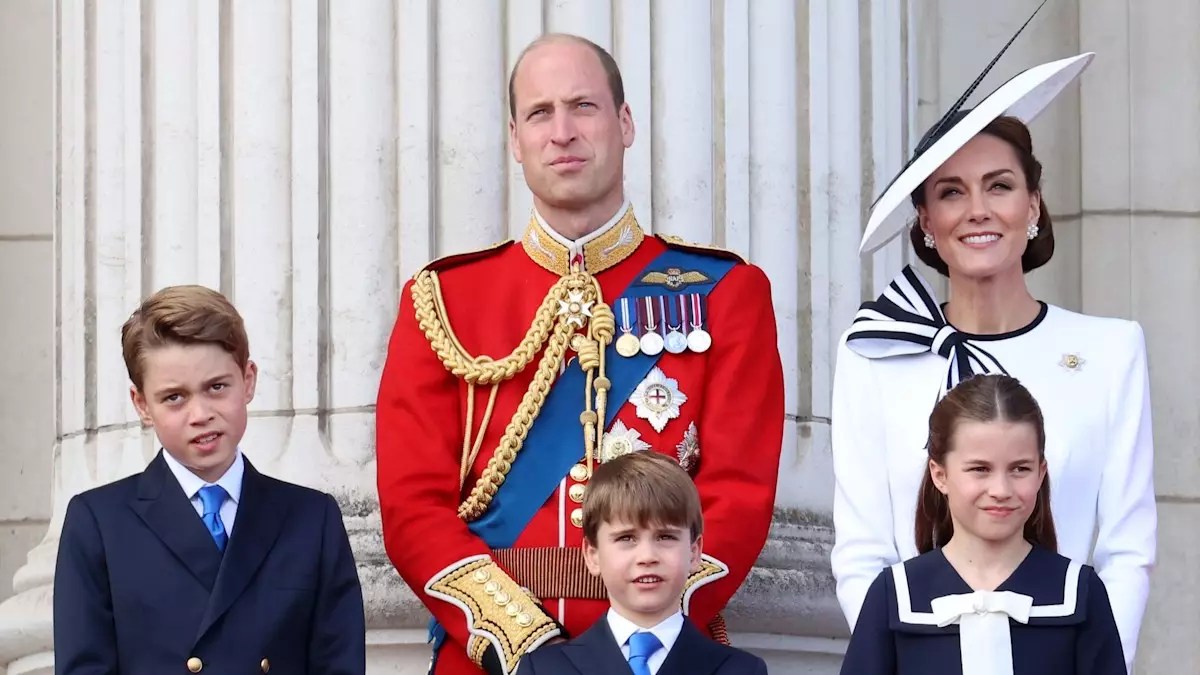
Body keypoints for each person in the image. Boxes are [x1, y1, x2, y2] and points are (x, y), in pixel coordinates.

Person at [375, 33, 785, 675]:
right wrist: (523, 643)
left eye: (583, 107)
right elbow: (411, 506)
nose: (562, 131)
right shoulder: (445, 299)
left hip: (658, 651)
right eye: (540, 113)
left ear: (625, 124)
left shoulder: (725, 293)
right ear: (516, 139)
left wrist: (635, 635)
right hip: (491, 657)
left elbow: (738, 495)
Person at [830, 7, 1155, 671]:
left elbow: (1125, 550)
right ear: (925, 219)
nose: (977, 209)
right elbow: (862, 551)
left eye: (1000, 186)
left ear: (1033, 204)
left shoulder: (1110, 351)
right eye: (951, 192)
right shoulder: (874, 353)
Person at [53, 285, 366, 674]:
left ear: (247, 380)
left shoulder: (311, 518)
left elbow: (339, 664)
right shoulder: (98, 522)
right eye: (174, 398)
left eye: (216, 387)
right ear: (142, 405)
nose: (200, 413)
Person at [839, 374, 1126, 674]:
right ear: (940, 475)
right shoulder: (895, 595)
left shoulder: (1080, 593)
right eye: (980, 469)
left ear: (1041, 473)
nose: (1001, 490)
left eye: (1020, 469)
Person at [520, 451, 768, 674]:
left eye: (665, 537)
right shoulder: (543, 668)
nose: (647, 556)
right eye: (626, 538)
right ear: (593, 555)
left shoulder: (742, 670)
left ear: (694, 553)